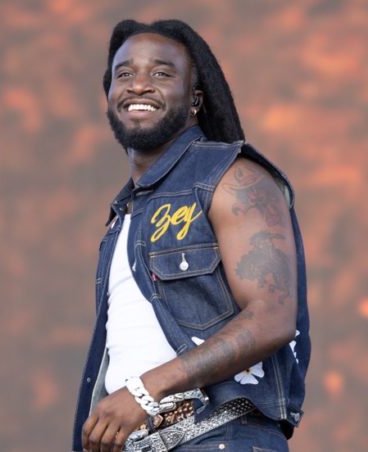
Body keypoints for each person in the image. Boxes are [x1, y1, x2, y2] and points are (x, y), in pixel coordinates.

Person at [72, 19, 310, 452]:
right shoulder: (123, 217)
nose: (138, 85)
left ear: (195, 99)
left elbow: (272, 317)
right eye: (124, 74)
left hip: (220, 438)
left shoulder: (233, 178)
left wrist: (145, 390)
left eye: (161, 73)